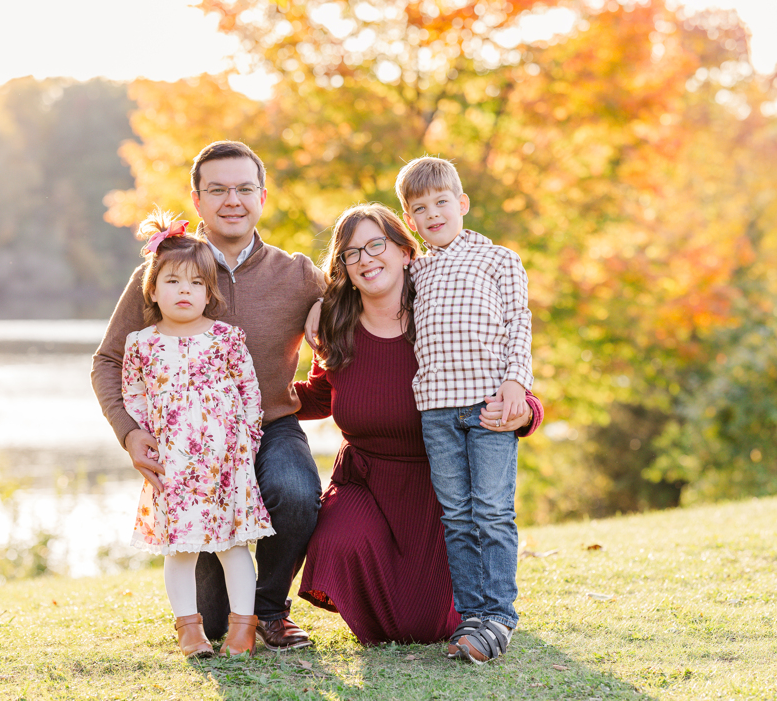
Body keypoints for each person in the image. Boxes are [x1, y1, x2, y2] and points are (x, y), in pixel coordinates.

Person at [92, 141, 326, 651]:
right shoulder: (164, 270)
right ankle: (211, 619)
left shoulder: (298, 273)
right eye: (217, 190)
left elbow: (357, 302)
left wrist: (322, 311)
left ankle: (268, 610)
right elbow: (109, 361)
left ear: (262, 196)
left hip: (268, 425)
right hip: (187, 444)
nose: (232, 200)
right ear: (197, 201)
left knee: (295, 489)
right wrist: (130, 433)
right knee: (213, 620)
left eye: (244, 189)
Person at [295, 203, 543, 646]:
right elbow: (318, 394)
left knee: (425, 627)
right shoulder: (337, 326)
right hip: (365, 481)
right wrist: (247, 400)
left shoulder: (443, 316)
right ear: (344, 267)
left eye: (377, 245)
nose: (367, 259)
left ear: (406, 251)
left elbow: (504, 381)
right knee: (337, 541)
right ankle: (377, 608)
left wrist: (525, 412)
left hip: (437, 491)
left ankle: (475, 614)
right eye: (353, 254)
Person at [395, 156, 534, 663]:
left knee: (493, 511)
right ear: (410, 219)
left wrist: (517, 383)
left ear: (462, 203)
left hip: (490, 404)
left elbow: (519, 321)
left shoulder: (499, 259)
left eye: (441, 202)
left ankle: (499, 613)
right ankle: (472, 614)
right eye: (420, 208)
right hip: (435, 409)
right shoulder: (417, 270)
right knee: (456, 516)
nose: (433, 214)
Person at [121, 211, 274, 657]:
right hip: (172, 464)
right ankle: (190, 629)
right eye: (172, 281)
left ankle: (243, 628)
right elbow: (133, 393)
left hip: (225, 463)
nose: (184, 291)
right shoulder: (142, 343)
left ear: (210, 293)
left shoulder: (226, 338)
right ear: (152, 288)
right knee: (179, 549)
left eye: (195, 284)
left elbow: (249, 392)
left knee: (233, 545)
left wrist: (246, 445)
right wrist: (143, 436)